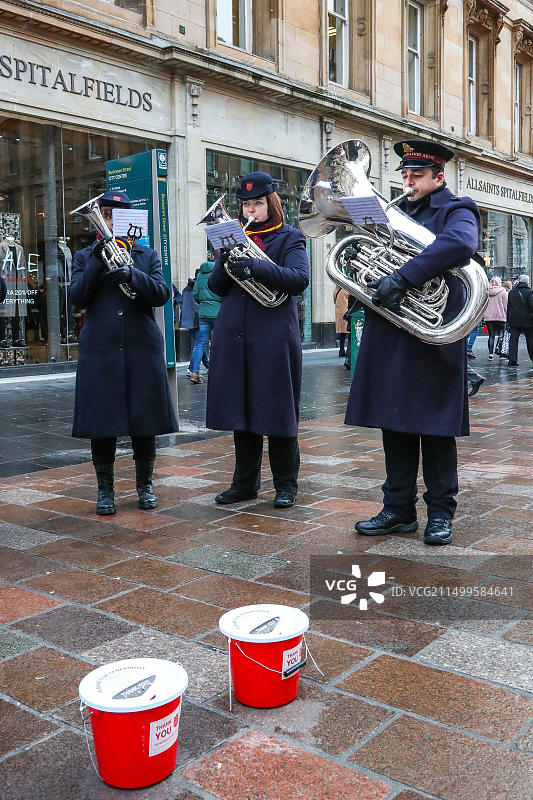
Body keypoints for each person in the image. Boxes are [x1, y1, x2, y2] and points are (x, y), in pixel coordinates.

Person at [347, 139, 480, 546]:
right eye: (404, 175)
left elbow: (460, 244)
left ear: (439, 176)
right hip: (393, 332)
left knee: (436, 430)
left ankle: (440, 513)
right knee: (395, 424)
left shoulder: (457, 209)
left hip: (433, 336)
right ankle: (398, 509)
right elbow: (367, 257)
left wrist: (403, 278)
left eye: (417, 175)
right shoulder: (393, 211)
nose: (408, 182)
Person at [69, 190, 177, 515]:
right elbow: (76, 296)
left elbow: (161, 294)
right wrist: (98, 261)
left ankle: (145, 486)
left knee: (144, 422)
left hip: (141, 347)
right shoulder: (84, 255)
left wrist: (132, 273)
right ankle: (105, 491)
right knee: (102, 423)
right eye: (107, 214)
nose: (112, 221)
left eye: (119, 215)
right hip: (100, 349)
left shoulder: (147, 255)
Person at [206, 171, 309, 508]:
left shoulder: (289, 237)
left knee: (278, 413)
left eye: (258, 204)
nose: (251, 210)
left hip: (273, 337)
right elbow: (217, 288)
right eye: (247, 204)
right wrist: (225, 256)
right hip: (234, 336)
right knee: (242, 413)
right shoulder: (233, 239)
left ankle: (286, 485)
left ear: (271, 204)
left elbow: (298, 279)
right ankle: (244, 484)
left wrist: (255, 266)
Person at [189, 260, 223, 385]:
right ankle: (215, 370)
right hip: (217, 313)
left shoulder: (199, 276)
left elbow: (195, 294)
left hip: (203, 313)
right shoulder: (216, 275)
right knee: (217, 343)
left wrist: (204, 301)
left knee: (199, 344)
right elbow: (222, 294)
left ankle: (195, 372)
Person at [506, 273, 533, 367]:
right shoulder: (529, 293)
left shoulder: (512, 292)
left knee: (513, 340)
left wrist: (508, 320)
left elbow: (508, 307)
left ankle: (512, 360)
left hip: (514, 321)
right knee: (530, 339)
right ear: (527, 283)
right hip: (528, 321)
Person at [485, 276, 508, 359]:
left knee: (491, 335)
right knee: (502, 335)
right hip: (501, 317)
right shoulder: (503, 292)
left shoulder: (487, 292)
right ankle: (501, 353)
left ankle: (490, 354)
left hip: (489, 317)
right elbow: (506, 306)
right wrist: (507, 316)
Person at [334, 287, 350, 357]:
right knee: (350, 332)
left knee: (342, 334)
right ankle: (349, 352)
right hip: (346, 312)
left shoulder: (336, 290)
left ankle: (341, 350)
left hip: (339, 312)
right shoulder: (348, 290)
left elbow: (334, 301)